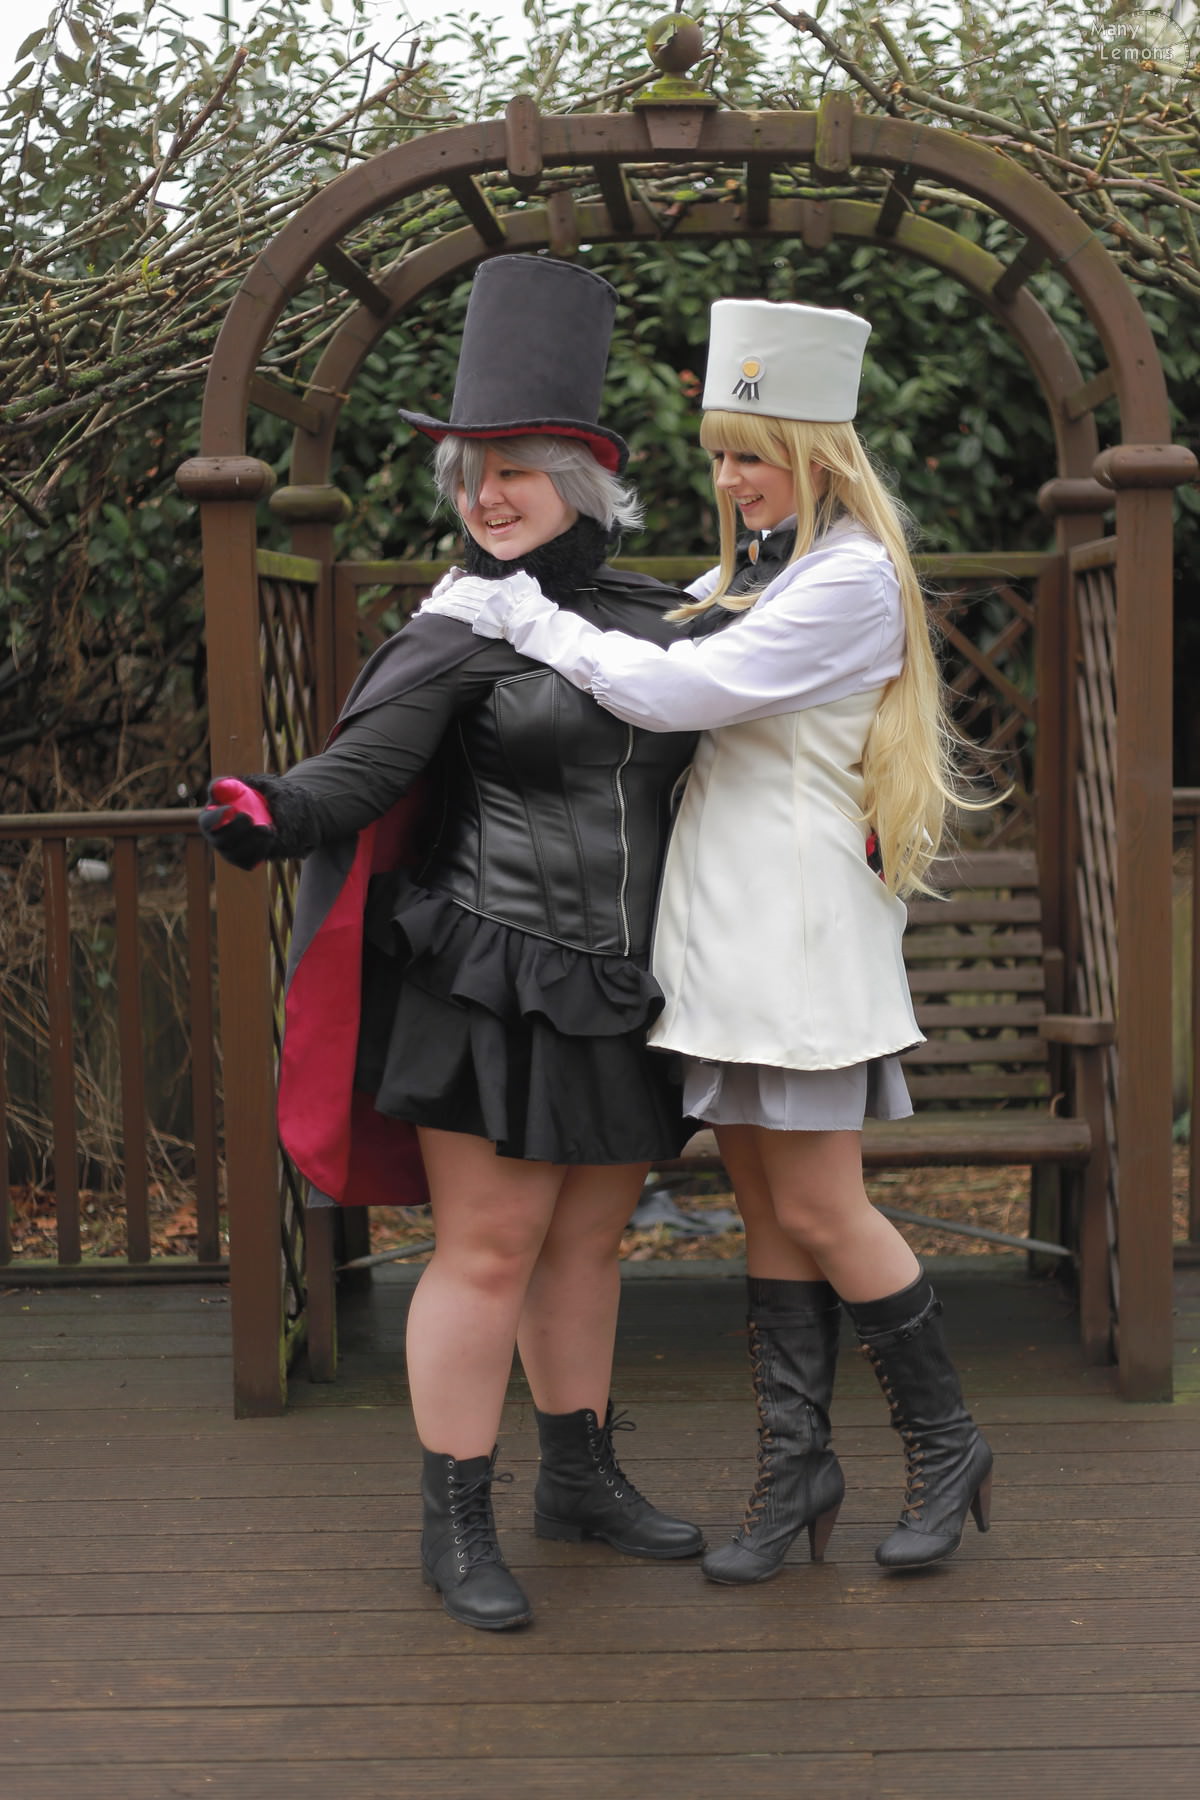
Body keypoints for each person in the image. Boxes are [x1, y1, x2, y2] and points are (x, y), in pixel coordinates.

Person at [421, 296, 994, 1579]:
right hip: (724, 932)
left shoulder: (848, 580)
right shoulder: (760, 572)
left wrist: (513, 610)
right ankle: (795, 1479)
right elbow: (648, 631)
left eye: (753, 455)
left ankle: (949, 1443)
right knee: (766, 1208)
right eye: (721, 455)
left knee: (822, 1204)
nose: (730, 481)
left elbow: (673, 687)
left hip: (794, 930)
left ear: (818, 453)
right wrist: (527, 596)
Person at [199, 254, 705, 1634]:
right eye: (471, 472)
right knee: (489, 1250)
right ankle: (456, 1520)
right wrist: (270, 810)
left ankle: (580, 1481)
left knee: (588, 1244)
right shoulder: (460, 628)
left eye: (514, 469)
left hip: (622, 986)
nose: (486, 495)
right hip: (486, 980)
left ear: (581, 480)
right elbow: (358, 774)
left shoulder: (660, 621)